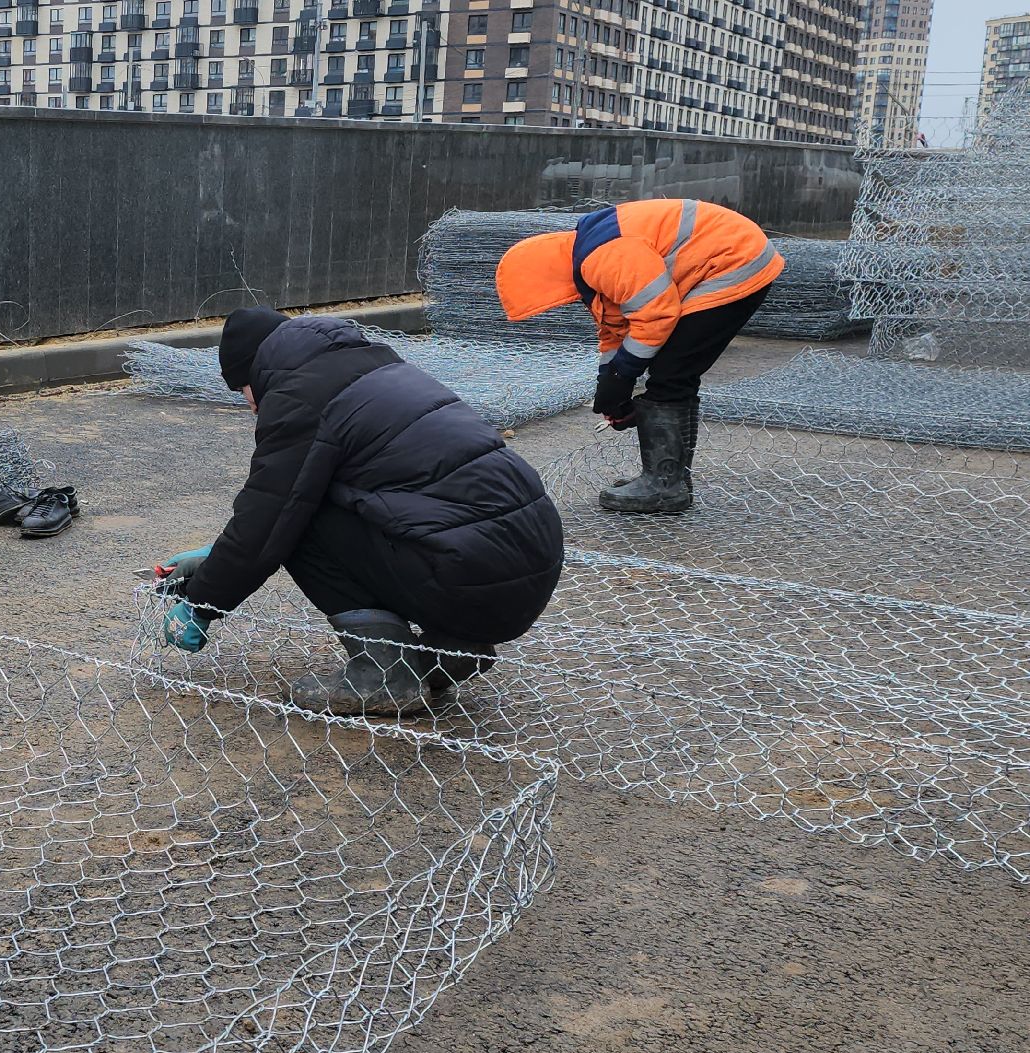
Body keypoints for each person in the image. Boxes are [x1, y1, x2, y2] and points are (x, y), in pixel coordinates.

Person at [158, 309, 565, 717]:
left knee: (300, 523)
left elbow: (270, 521)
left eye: (243, 391)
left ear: (256, 372)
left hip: (467, 576)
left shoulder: (297, 396)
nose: (250, 405)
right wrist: (217, 555)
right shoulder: (379, 368)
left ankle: (384, 674)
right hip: (525, 567)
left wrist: (202, 602)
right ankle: (452, 651)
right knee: (302, 510)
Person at [496, 198, 783, 513]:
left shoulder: (604, 257)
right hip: (731, 256)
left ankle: (663, 486)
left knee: (672, 372)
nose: (559, 305)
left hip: (733, 262)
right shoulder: (587, 256)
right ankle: (670, 478)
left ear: (545, 282)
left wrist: (623, 374)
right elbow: (615, 325)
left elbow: (656, 315)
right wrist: (608, 382)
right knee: (676, 372)